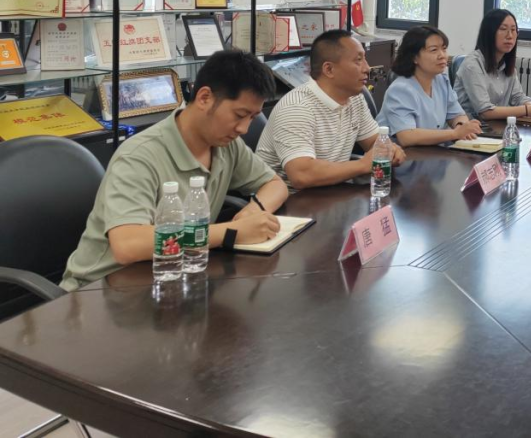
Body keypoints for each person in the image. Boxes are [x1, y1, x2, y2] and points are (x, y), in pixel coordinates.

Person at [61, 50, 289, 290]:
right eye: (239, 115)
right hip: (102, 289)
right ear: (204, 98)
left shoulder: (226, 144)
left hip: (172, 277)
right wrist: (232, 232)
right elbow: (127, 245)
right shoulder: (139, 156)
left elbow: (275, 185)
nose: (244, 128)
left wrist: (253, 211)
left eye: (252, 118)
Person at [256, 30, 405, 190]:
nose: (367, 68)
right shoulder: (297, 107)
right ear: (329, 69)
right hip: (288, 199)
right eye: (358, 60)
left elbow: (375, 143)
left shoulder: (355, 98)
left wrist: (390, 151)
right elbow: (302, 175)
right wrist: (362, 164)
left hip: (330, 192)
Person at [377, 25, 483, 147]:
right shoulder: (400, 90)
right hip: (400, 155)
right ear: (414, 57)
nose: (442, 55)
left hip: (432, 152)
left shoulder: (441, 80)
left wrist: (461, 126)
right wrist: (455, 133)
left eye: (444, 49)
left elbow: (457, 114)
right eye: (434, 50)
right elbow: (407, 137)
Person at [453, 8, 531, 121]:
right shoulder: (472, 64)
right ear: (489, 33)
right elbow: (485, 111)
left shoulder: (507, 65)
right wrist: (528, 110)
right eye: (503, 29)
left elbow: (518, 97)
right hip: (471, 127)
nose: (510, 36)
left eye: (513, 30)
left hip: (498, 125)